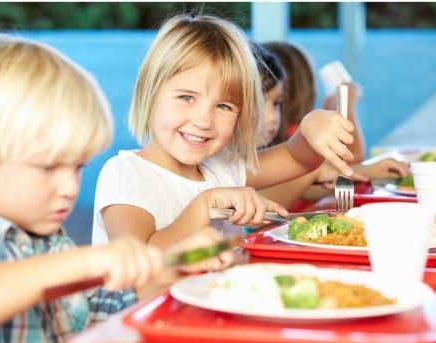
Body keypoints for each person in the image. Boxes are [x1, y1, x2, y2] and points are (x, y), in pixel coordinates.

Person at [92, 13, 356, 249]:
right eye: (186, 97)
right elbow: (139, 260)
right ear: (149, 95)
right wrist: (206, 205)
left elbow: (298, 158)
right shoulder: (126, 174)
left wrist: (311, 128)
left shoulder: (221, 167)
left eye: (223, 106)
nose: (204, 120)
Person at [0, 33, 177, 343]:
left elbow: (86, 316)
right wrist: (87, 262)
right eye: (47, 167)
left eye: (78, 167)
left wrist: (164, 272)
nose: (68, 187)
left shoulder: (49, 239)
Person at [254, 43, 409, 209]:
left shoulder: (255, 158)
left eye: (277, 103)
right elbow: (268, 200)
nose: (271, 117)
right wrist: (343, 107)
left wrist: (364, 172)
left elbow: (302, 187)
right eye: (256, 103)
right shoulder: (233, 164)